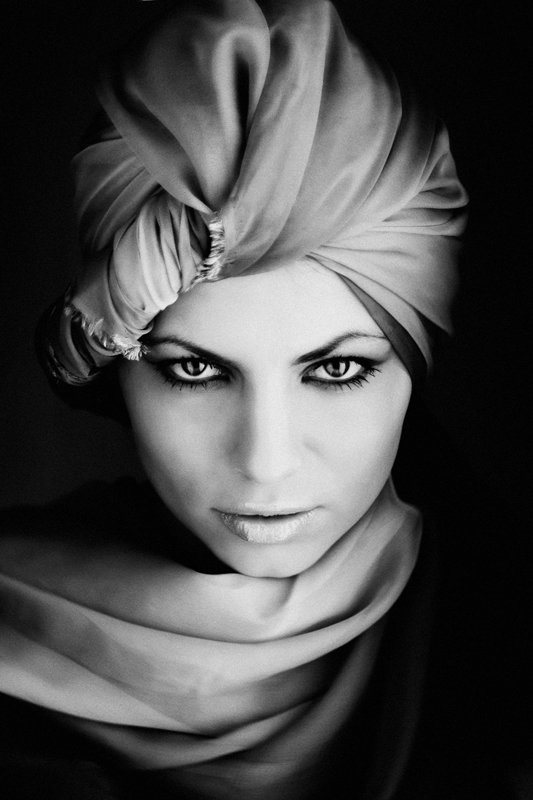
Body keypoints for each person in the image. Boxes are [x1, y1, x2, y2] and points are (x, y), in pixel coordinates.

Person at [0, 1, 524, 798]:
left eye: (337, 370)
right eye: (194, 370)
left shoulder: (504, 635)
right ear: (117, 373)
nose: (265, 462)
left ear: (415, 365)